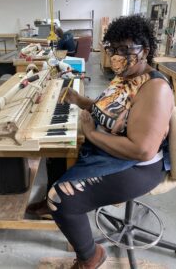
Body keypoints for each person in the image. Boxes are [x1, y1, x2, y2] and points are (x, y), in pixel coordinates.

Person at [44, 15, 174, 269]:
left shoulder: (154, 88)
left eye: (125, 49)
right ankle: (51, 201)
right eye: (112, 48)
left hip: (137, 166)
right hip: (110, 151)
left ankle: (90, 256)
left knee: (60, 199)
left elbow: (142, 150)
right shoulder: (124, 76)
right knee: (57, 148)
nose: (116, 56)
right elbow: (109, 109)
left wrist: (93, 135)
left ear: (145, 50)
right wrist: (81, 101)